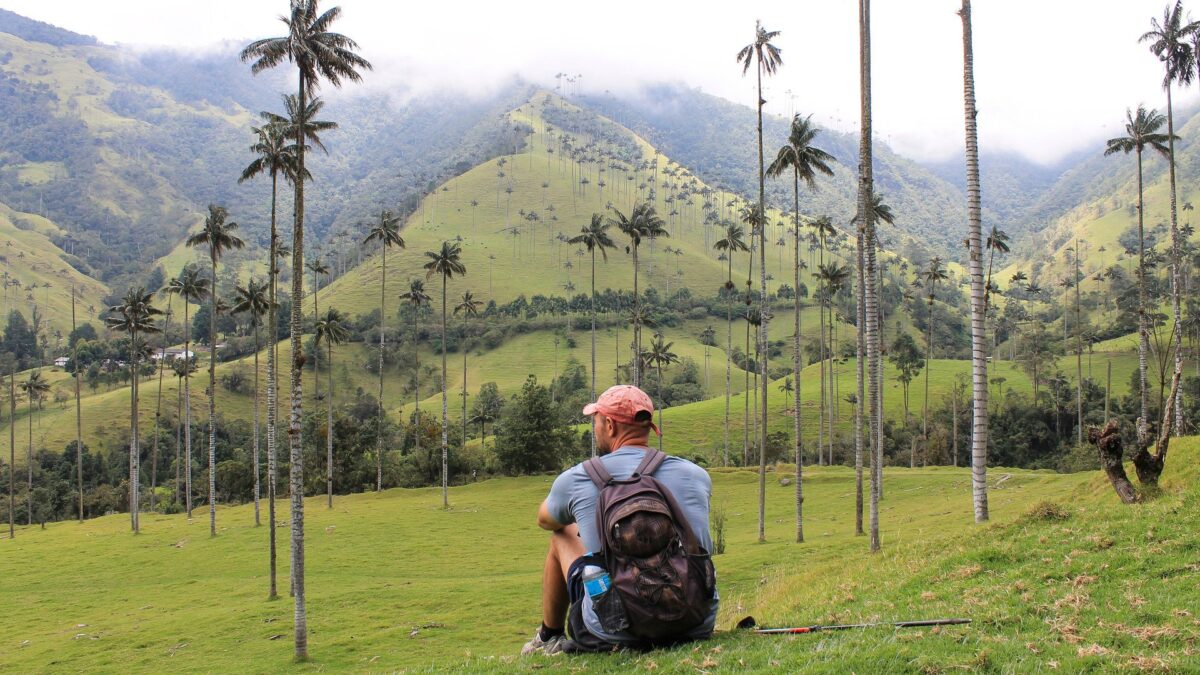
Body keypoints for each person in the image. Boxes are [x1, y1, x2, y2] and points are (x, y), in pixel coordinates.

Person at [522, 384, 718, 655]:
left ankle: (548, 636)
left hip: (610, 630)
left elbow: (545, 520)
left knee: (562, 534)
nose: (596, 428)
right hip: (695, 622)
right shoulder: (696, 475)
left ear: (610, 425)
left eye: (597, 421)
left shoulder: (579, 478)